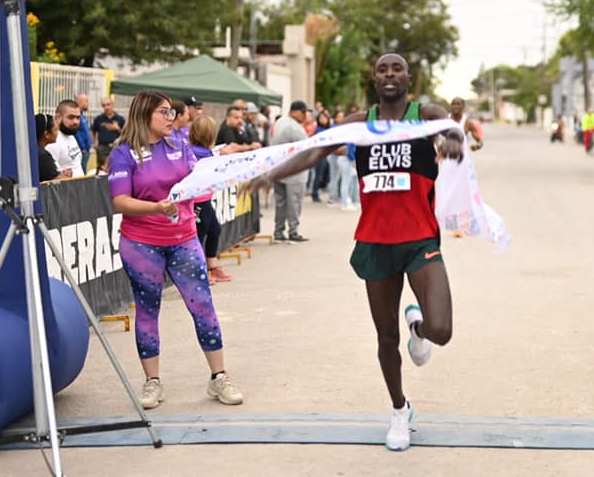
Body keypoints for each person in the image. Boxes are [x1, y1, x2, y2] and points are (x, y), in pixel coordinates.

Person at [245, 53, 464, 451]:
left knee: (443, 330)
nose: (390, 74)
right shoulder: (358, 123)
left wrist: (454, 135)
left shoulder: (424, 114)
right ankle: (400, 411)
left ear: (408, 77)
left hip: (420, 239)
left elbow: (453, 136)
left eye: (397, 68)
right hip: (376, 241)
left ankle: (420, 329)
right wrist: (270, 174)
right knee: (385, 339)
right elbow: (314, 151)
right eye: (382, 69)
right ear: (374, 80)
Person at [108, 90, 242, 410]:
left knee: (203, 306)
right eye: (165, 113)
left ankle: (219, 376)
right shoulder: (124, 154)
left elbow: (199, 178)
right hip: (141, 243)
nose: (173, 118)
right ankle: (153, 381)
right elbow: (120, 201)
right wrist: (156, 207)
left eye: (172, 113)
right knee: (147, 309)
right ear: (145, 115)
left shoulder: (181, 145)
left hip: (183, 239)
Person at [188, 115, 232, 283]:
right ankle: (198, 273)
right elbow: (215, 173)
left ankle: (212, 266)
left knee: (214, 229)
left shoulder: (204, 152)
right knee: (199, 236)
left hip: (204, 198)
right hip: (198, 201)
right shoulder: (200, 153)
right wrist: (223, 158)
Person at [269, 101, 310, 243]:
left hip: (278, 168)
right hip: (294, 172)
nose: (305, 115)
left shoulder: (280, 121)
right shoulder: (295, 127)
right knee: (294, 204)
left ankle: (278, 232)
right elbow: (308, 148)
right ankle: (293, 231)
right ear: (294, 112)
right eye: (303, 112)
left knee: (280, 203)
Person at [46, 99, 84, 177]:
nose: (75, 122)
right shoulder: (53, 141)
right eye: (71, 117)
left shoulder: (70, 135)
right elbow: (53, 176)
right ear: (58, 117)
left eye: (78, 118)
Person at [35, 113, 70, 182]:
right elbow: (55, 183)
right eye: (56, 130)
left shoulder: (34, 151)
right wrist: (65, 177)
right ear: (47, 134)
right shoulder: (43, 156)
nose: (58, 133)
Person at [92, 96, 125, 171]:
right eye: (104, 105)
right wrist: (94, 142)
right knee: (103, 169)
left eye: (108, 104)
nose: (106, 107)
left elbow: (126, 134)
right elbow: (93, 130)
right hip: (102, 148)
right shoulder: (98, 119)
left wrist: (118, 129)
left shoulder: (120, 119)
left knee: (116, 167)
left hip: (116, 147)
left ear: (113, 105)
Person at [75, 93, 93, 173]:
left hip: (86, 150)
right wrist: (82, 148)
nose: (88, 103)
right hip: (82, 151)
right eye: (86, 101)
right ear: (80, 102)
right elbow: (76, 132)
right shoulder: (77, 116)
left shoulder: (81, 115)